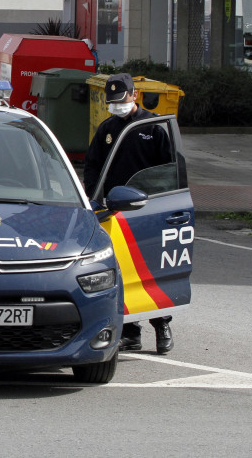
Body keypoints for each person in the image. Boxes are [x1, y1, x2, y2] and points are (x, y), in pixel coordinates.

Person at [83, 73, 174, 355]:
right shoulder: (107, 128)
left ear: (134, 95)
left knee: (152, 271)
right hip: (115, 211)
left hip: (148, 210)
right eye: (112, 102)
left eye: (121, 100)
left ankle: (162, 326)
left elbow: (169, 170)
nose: (116, 106)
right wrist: (94, 198)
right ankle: (131, 332)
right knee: (123, 272)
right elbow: (93, 165)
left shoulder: (154, 127)